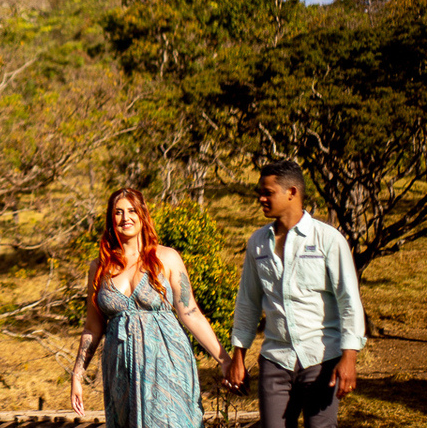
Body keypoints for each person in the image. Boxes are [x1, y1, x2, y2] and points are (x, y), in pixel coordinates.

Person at [71, 188, 232, 427]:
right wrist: (77, 375)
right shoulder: (99, 267)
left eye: (132, 211)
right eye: (118, 212)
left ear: (143, 215)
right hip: (120, 370)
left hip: (166, 362)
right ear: (110, 219)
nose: (125, 218)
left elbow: (190, 312)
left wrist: (224, 360)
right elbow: (93, 327)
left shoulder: (166, 257)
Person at [224, 160, 366, 428]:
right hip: (275, 360)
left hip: (322, 359)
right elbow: (248, 302)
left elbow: (349, 301)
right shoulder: (257, 242)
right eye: (260, 193)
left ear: (292, 192)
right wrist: (238, 357)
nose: (261, 199)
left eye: (268, 193)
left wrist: (349, 357)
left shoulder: (327, 239)